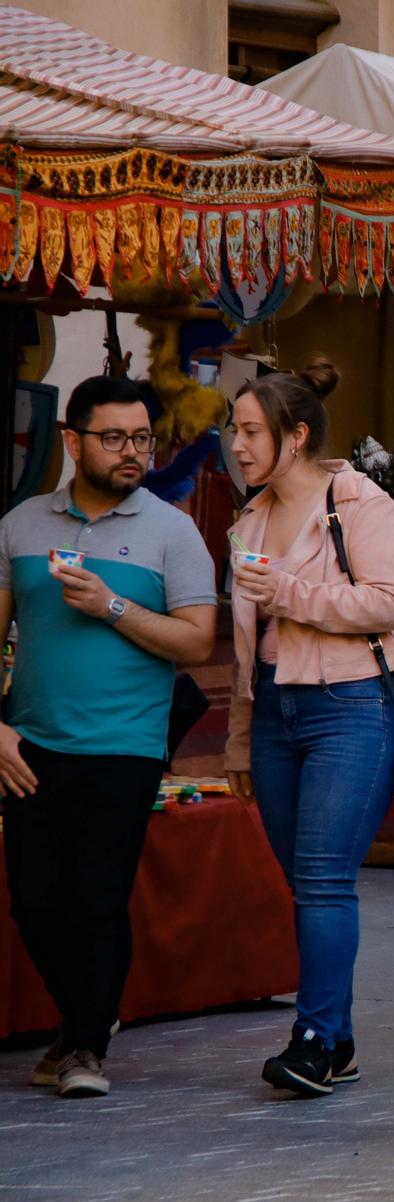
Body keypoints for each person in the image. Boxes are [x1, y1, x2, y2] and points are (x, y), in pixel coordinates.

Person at [1, 376, 215, 1099]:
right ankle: (85, 1016)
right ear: (72, 440)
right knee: (32, 899)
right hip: (29, 741)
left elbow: (196, 643)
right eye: (115, 438)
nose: (133, 452)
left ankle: (86, 1044)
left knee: (97, 895)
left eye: (143, 438)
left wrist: (112, 603)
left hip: (125, 744)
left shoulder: (171, 530)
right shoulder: (22, 523)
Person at [225, 358, 394, 1098]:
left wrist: (292, 592)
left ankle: (310, 1038)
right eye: (232, 431)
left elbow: (390, 602)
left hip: (353, 705)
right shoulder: (250, 516)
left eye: (250, 431)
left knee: (325, 879)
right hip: (276, 708)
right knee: (302, 879)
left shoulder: (360, 503)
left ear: (295, 435)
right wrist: (241, 736)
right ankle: (337, 1037)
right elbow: (246, 645)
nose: (236, 446)